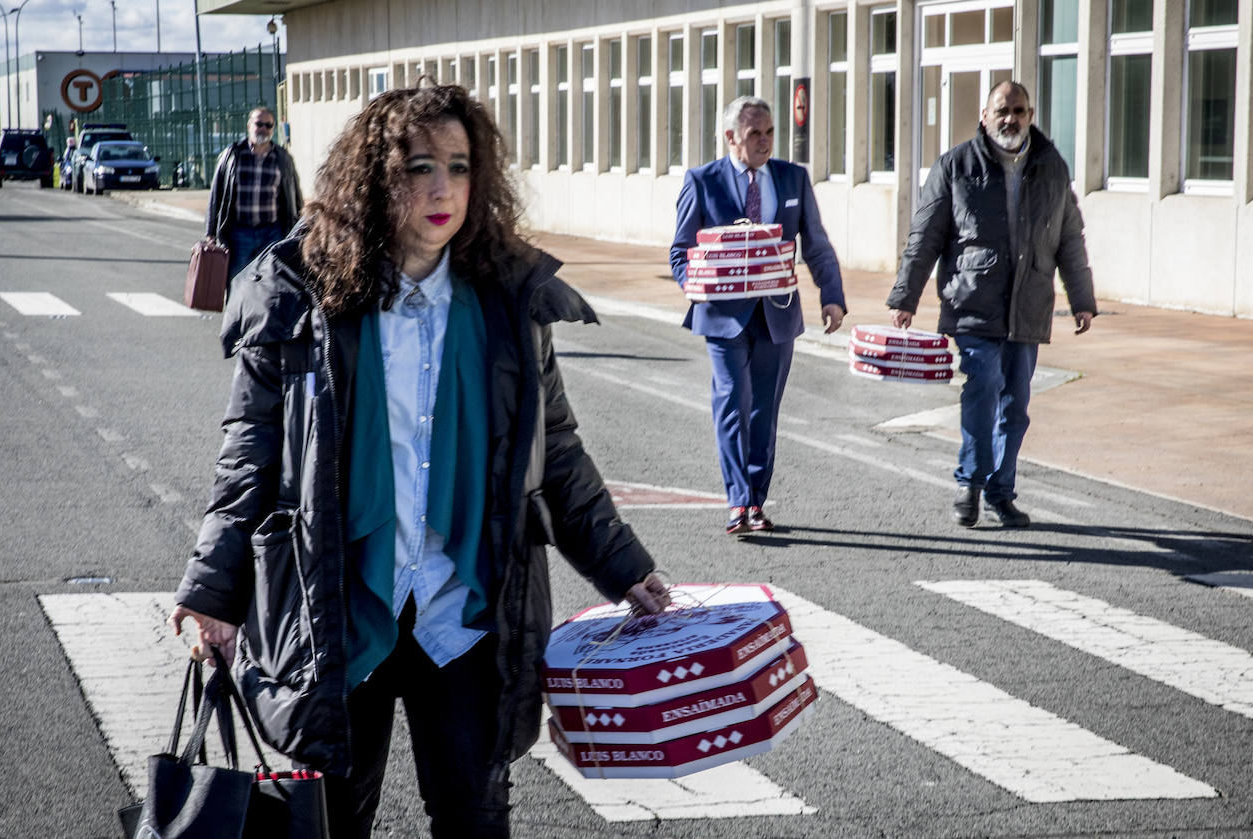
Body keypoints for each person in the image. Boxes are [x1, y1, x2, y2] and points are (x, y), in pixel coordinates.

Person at [167, 83, 671, 838]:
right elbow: (249, 452)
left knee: (474, 817)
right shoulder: (299, 294)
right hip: (337, 606)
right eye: (420, 167)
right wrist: (212, 588)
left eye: (461, 168)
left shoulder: (506, 300)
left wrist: (626, 567)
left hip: (461, 606)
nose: (443, 189)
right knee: (330, 823)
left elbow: (555, 450)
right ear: (375, 176)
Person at [885, 80, 1097, 528]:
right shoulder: (955, 166)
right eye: (1002, 110)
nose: (1010, 119)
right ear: (985, 116)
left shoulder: (1052, 168)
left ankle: (1001, 492)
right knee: (982, 387)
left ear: (1031, 116)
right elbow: (925, 237)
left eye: (1019, 111)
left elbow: (1069, 237)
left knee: (1015, 406)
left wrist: (1082, 300)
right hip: (972, 303)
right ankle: (969, 482)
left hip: (1029, 305)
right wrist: (906, 296)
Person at [669, 95, 846, 535]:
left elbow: (816, 243)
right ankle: (737, 501)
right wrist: (695, 284)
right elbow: (680, 252)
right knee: (733, 402)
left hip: (777, 314)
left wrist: (832, 295)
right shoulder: (702, 181)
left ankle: (756, 500)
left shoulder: (792, 179)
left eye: (769, 133)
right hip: (723, 317)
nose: (765, 141)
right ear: (731, 137)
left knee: (764, 412)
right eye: (754, 134)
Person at [205, 106, 304, 284]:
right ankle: (236, 312)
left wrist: (298, 230)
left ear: (273, 129)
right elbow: (216, 196)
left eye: (268, 125)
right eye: (259, 124)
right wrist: (210, 232)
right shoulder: (232, 155)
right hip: (239, 232)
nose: (263, 129)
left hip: (272, 232)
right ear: (249, 125)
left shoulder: (283, 158)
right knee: (237, 282)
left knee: (270, 283)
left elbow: (295, 196)